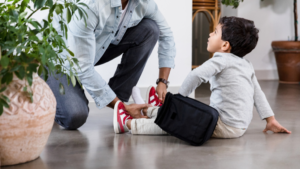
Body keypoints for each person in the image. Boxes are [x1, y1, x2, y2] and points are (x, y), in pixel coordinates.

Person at [113, 16, 291, 138]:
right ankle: (147, 110)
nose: (209, 34)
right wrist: (270, 119)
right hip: (239, 127)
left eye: (214, 32)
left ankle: (129, 125)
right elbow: (258, 94)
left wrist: (179, 103)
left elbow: (196, 75)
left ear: (225, 45)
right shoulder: (246, 64)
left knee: (177, 123)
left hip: (223, 125)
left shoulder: (221, 60)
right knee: (181, 114)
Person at [45, 0, 175, 129]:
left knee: (150, 29)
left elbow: (167, 35)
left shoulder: (142, 3)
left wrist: (162, 81)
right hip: (58, 59)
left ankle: (118, 98)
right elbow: (83, 68)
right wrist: (123, 108)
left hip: (91, 49)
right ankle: (46, 90)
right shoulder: (92, 6)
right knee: (75, 116)